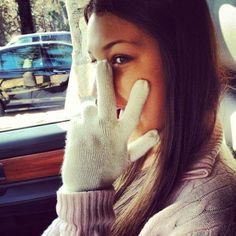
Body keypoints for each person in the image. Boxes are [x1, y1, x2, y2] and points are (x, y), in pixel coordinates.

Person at [43, 0, 236, 235]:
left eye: (120, 59)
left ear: (182, 59)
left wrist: (85, 197)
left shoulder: (205, 219)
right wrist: (84, 187)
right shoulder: (138, 151)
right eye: (96, 61)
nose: (97, 91)